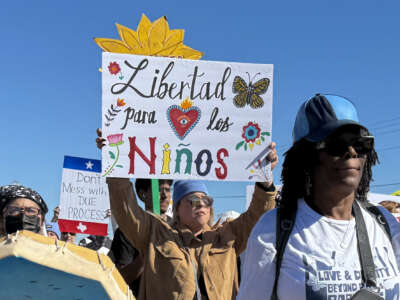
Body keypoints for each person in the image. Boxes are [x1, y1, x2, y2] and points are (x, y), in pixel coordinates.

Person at [238, 94, 400, 300]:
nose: (351, 152)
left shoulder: (384, 222)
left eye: (360, 144)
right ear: (307, 156)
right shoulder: (272, 230)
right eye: (336, 145)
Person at [106, 141, 278, 300]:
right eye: (193, 200)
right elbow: (125, 208)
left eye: (206, 200)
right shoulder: (155, 234)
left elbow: (258, 215)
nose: (201, 204)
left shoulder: (228, 236)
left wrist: (265, 182)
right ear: (178, 208)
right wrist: (116, 160)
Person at [108, 178, 173, 297]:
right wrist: (146, 256)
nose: (165, 196)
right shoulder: (125, 232)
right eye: (158, 190)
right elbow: (118, 279)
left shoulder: (177, 230)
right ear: (142, 195)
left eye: (168, 190)